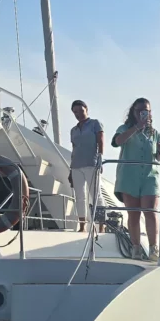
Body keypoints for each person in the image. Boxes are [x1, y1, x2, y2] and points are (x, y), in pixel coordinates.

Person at [112, 97, 160, 259]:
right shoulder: (124, 128)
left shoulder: (155, 133)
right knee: (134, 214)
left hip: (150, 176)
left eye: (146, 111)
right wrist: (136, 128)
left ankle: (153, 248)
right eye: (140, 111)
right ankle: (135, 247)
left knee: (150, 211)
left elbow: (158, 157)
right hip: (129, 176)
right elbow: (117, 141)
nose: (143, 114)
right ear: (134, 113)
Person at [67, 99, 104, 231]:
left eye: (80, 111)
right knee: (79, 196)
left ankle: (101, 225)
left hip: (91, 163)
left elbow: (100, 141)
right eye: (75, 112)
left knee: (96, 195)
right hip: (76, 165)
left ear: (86, 109)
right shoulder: (73, 130)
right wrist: (71, 170)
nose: (78, 114)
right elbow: (74, 148)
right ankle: (82, 225)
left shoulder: (95, 124)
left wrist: (100, 156)